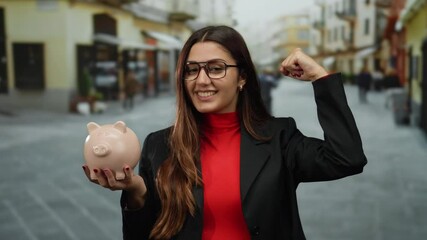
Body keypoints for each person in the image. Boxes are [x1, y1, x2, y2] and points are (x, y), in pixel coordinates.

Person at [82, 25, 367, 240]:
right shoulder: (161, 144)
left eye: (216, 68)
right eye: (191, 70)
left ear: (242, 77)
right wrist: (136, 191)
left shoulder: (280, 136)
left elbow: (346, 158)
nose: (201, 80)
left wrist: (321, 79)